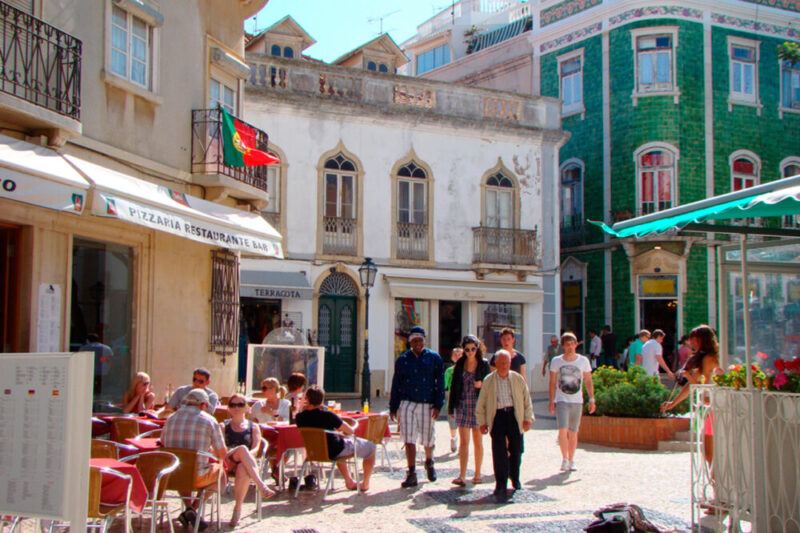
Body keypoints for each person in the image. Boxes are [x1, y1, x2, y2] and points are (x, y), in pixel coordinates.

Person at [161, 388, 227, 529]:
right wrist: (209, 451)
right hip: (197, 476)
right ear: (203, 405)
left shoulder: (170, 419)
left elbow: (163, 444)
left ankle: (189, 508)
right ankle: (193, 508)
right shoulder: (209, 420)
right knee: (221, 473)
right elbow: (222, 455)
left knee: (184, 468)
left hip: (173, 476)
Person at [389, 326, 445, 488]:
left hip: (426, 403)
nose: (418, 343)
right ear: (410, 342)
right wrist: (394, 406)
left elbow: (439, 383)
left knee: (428, 438)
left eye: (420, 340)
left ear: (424, 341)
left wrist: (438, 403)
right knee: (408, 438)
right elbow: (396, 383)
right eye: (414, 341)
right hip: (407, 402)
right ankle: (411, 472)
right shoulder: (403, 359)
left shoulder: (434, 358)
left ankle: (429, 461)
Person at [476, 350, 534, 503]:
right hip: (497, 417)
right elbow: (481, 403)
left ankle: (515, 478)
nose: (504, 366)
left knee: (516, 450)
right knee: (499, 452)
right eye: (501, 363)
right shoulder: (489, 380)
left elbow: (526, 399)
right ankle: (500, 484)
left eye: (507, 363)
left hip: (514, 416)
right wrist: (482, 422)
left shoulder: (517, 379)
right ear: (495, 363)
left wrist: (528, 418)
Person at [296, 385, 376, 491]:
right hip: (335, 450)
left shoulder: (300, 418)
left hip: (314, 453)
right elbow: (350, 431)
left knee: (338, 444)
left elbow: (303, 413)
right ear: (322, 400)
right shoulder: (328, 415)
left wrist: (302, 405)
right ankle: (365, 483)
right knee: (371, 447)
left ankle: (349, 481)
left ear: (307, 400)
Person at [661, 325, 720, 467]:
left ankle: (715, 480)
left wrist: (688, 376)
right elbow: (693, 386)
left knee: (708, 449)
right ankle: (714, 479)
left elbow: (700, 385)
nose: (692, 344)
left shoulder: (708, 359)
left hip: (711, 406)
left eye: (695, 340)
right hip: (708, 406)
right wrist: (673, 403)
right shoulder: (708, 357)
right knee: (707, 448)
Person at [221, 393, 274, 527]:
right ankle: (261, 485)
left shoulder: (253, 427)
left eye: (240, 404)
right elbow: (220, 448)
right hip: (227, 460)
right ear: (229, 408)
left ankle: (237, 510)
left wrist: (244, 457)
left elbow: (256, 449)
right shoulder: (223, 426)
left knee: (243, 468)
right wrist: (241, 453)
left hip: (244, 463)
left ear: (246, 407)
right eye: (233, 405)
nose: (236, 407)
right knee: (242, 449)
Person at [548, 332, 595, 472]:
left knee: (573, 431)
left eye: (572, 344)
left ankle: (571, 459)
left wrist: (592, 398)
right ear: (563, 346)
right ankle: (564, 458)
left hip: (577, 401)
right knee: (562, 429)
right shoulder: (556, 361)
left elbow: (588, 380)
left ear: (576, 345)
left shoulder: (583, 361)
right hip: (562, 399)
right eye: (567, 344)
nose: (570, 347)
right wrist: (551, 401)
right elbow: (552, 382)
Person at [448, 335, 490, 486]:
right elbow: (454, 386)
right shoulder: (460, 364)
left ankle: (477, 474)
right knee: (464, 442)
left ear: (477, 348)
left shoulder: (483, 364)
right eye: (467, 349)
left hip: (478, 406)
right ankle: (462, 475)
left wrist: (482, 384)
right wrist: (451, 406)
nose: (470, 352)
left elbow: (490, 385)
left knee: (478, 441)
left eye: (473, 348)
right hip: (463, 404)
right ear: (463, 350)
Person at [444, 346, 463, 453]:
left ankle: (462, 444)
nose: (457, 356)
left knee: (462, 424)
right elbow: (445, 385)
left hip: (463, 401)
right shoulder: (449, 371)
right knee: (452, 423)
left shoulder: (466, 369)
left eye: (459, 354)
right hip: (452, 401)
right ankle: (454, 438)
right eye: (455, 354)